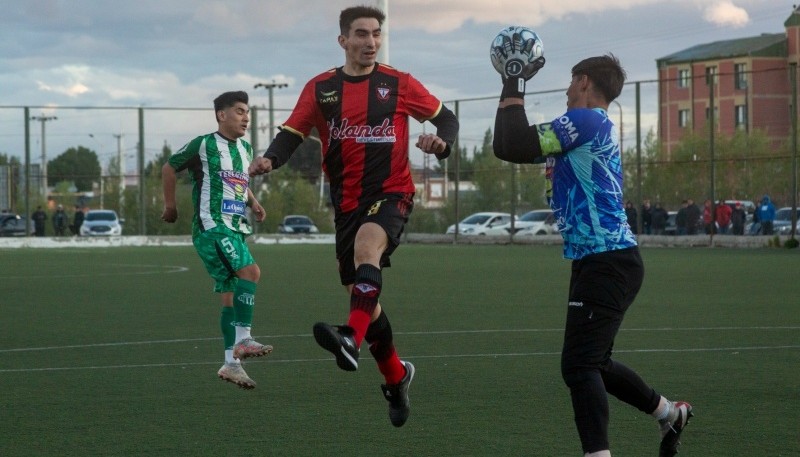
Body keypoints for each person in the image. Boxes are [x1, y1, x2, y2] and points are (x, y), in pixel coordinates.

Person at [248, 5, 458, 427]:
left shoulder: (398, 83)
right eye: (361, 34)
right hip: (346, 204)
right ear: (343, 40)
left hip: (392, 193)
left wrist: (442, 144)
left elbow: (446, 118)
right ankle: (396, 377)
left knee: (368, 248)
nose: (370, 42)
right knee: (364, 295)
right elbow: (291, 133)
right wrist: (271, 159)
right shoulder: (321, 88)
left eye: (376, 34)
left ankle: (350, 336)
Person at [492, 53, 692, 456]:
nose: (566, 92)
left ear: (583, 81)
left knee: (579, 365)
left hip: (609, 259)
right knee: (593, 362)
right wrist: (509, 84)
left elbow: (513, 140)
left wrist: (514, 79)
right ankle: (670, 413)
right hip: (597, 259)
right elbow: (505, 146)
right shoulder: (579, 130)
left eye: (569, 83)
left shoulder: (586, 122)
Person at [162, 90, 272, 390]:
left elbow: (239, 180)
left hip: (235, 227)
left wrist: (253, 202)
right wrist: (170, 206)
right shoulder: (203, 144)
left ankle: (231, 363)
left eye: (247, 112)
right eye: (239, 111)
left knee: (230, 292)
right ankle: (244, 339)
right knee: (251, 273)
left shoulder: (245, 149)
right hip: (213, 227)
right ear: (221, 115)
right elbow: (169, 167)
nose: (245, 117)